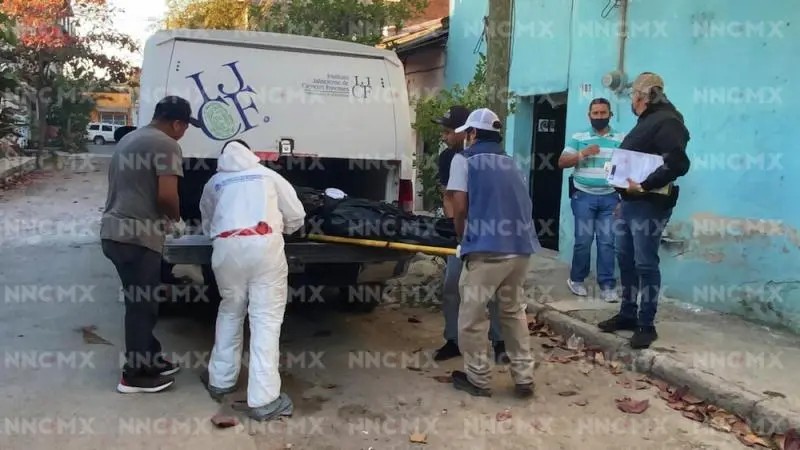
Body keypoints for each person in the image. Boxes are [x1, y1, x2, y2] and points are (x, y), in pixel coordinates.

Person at [200, 139, 306, 422]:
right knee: (265, 320)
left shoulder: (215, 182)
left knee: (230, 310)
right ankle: (264, 400)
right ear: (252, 153)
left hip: (225, 250)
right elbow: (296, 215)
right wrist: (288, 228)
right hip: (264, 247)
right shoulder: (270, 176)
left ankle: (220, 381)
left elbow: (207, 222)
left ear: (222, 157)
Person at [100, 96, 196, 393]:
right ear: (177, 123)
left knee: (141, 302)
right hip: (137, 238)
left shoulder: (131, 139)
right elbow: (167, 195)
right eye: (185, 126)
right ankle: (136, 376)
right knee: (142, 307)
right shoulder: (167, 144)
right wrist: (177, 219)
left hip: (115, 233)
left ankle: (151, 357)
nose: (184, 132)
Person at [446, 108, 539, 398]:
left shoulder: (464, 160)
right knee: (512, 312)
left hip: (486, 250)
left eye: (467, 133)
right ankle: (524, 377)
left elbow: (459, 207)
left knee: (472, 318)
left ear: (472, 133)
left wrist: (463, 237)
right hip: (520, 249)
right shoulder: (512, 163)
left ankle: (479, 379)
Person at [597, 72, 690, 349]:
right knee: (625, 259)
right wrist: (622, 200)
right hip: (630, 204)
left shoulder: (668, 121)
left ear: (645, 97)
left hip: (649, 205)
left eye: (634, 96)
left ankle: (646, 324)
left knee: (645, 263)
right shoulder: (649, 121)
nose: (632, 101)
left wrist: (646, 185)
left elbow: (678, 164)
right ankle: (628, 314)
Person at [432, 105, 507, 364]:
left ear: (467, 131)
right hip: (462, 233)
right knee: (452, 286)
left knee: (493, 294)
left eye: (449, 130)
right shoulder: (449, 159)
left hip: (489, 235)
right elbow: (450, 199)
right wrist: (458, 231)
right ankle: (453, 340)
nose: (445, 136)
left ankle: (499, 343)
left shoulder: (487, 158)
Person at [558, 98, 625, 302]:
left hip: (610, 198)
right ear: (589, 116)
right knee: (583, 241)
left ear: (610, 115)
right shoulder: (579, 137)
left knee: (607, 242)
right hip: (583, 196)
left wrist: (622, 199)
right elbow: (561, 162)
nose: (599, 117)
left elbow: (626, 169)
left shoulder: (621, 139)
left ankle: (607, 285)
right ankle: (576, 279)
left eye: (602, 113)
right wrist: (582, 153)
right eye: (595, 113)